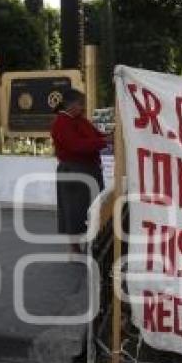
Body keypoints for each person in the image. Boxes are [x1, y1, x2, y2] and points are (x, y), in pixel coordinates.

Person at [50, 88, 109, 254]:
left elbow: (97, 135)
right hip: (74, 171)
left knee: (93, 207)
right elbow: (76, 145)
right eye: (81, 104)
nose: (83, 108)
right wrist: (103, 142)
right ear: (71, 105)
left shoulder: (80, 120)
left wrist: (108, 136)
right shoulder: (61, 122)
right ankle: (75, 248)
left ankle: (91, 243)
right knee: (74, 210)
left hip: (90, 169)